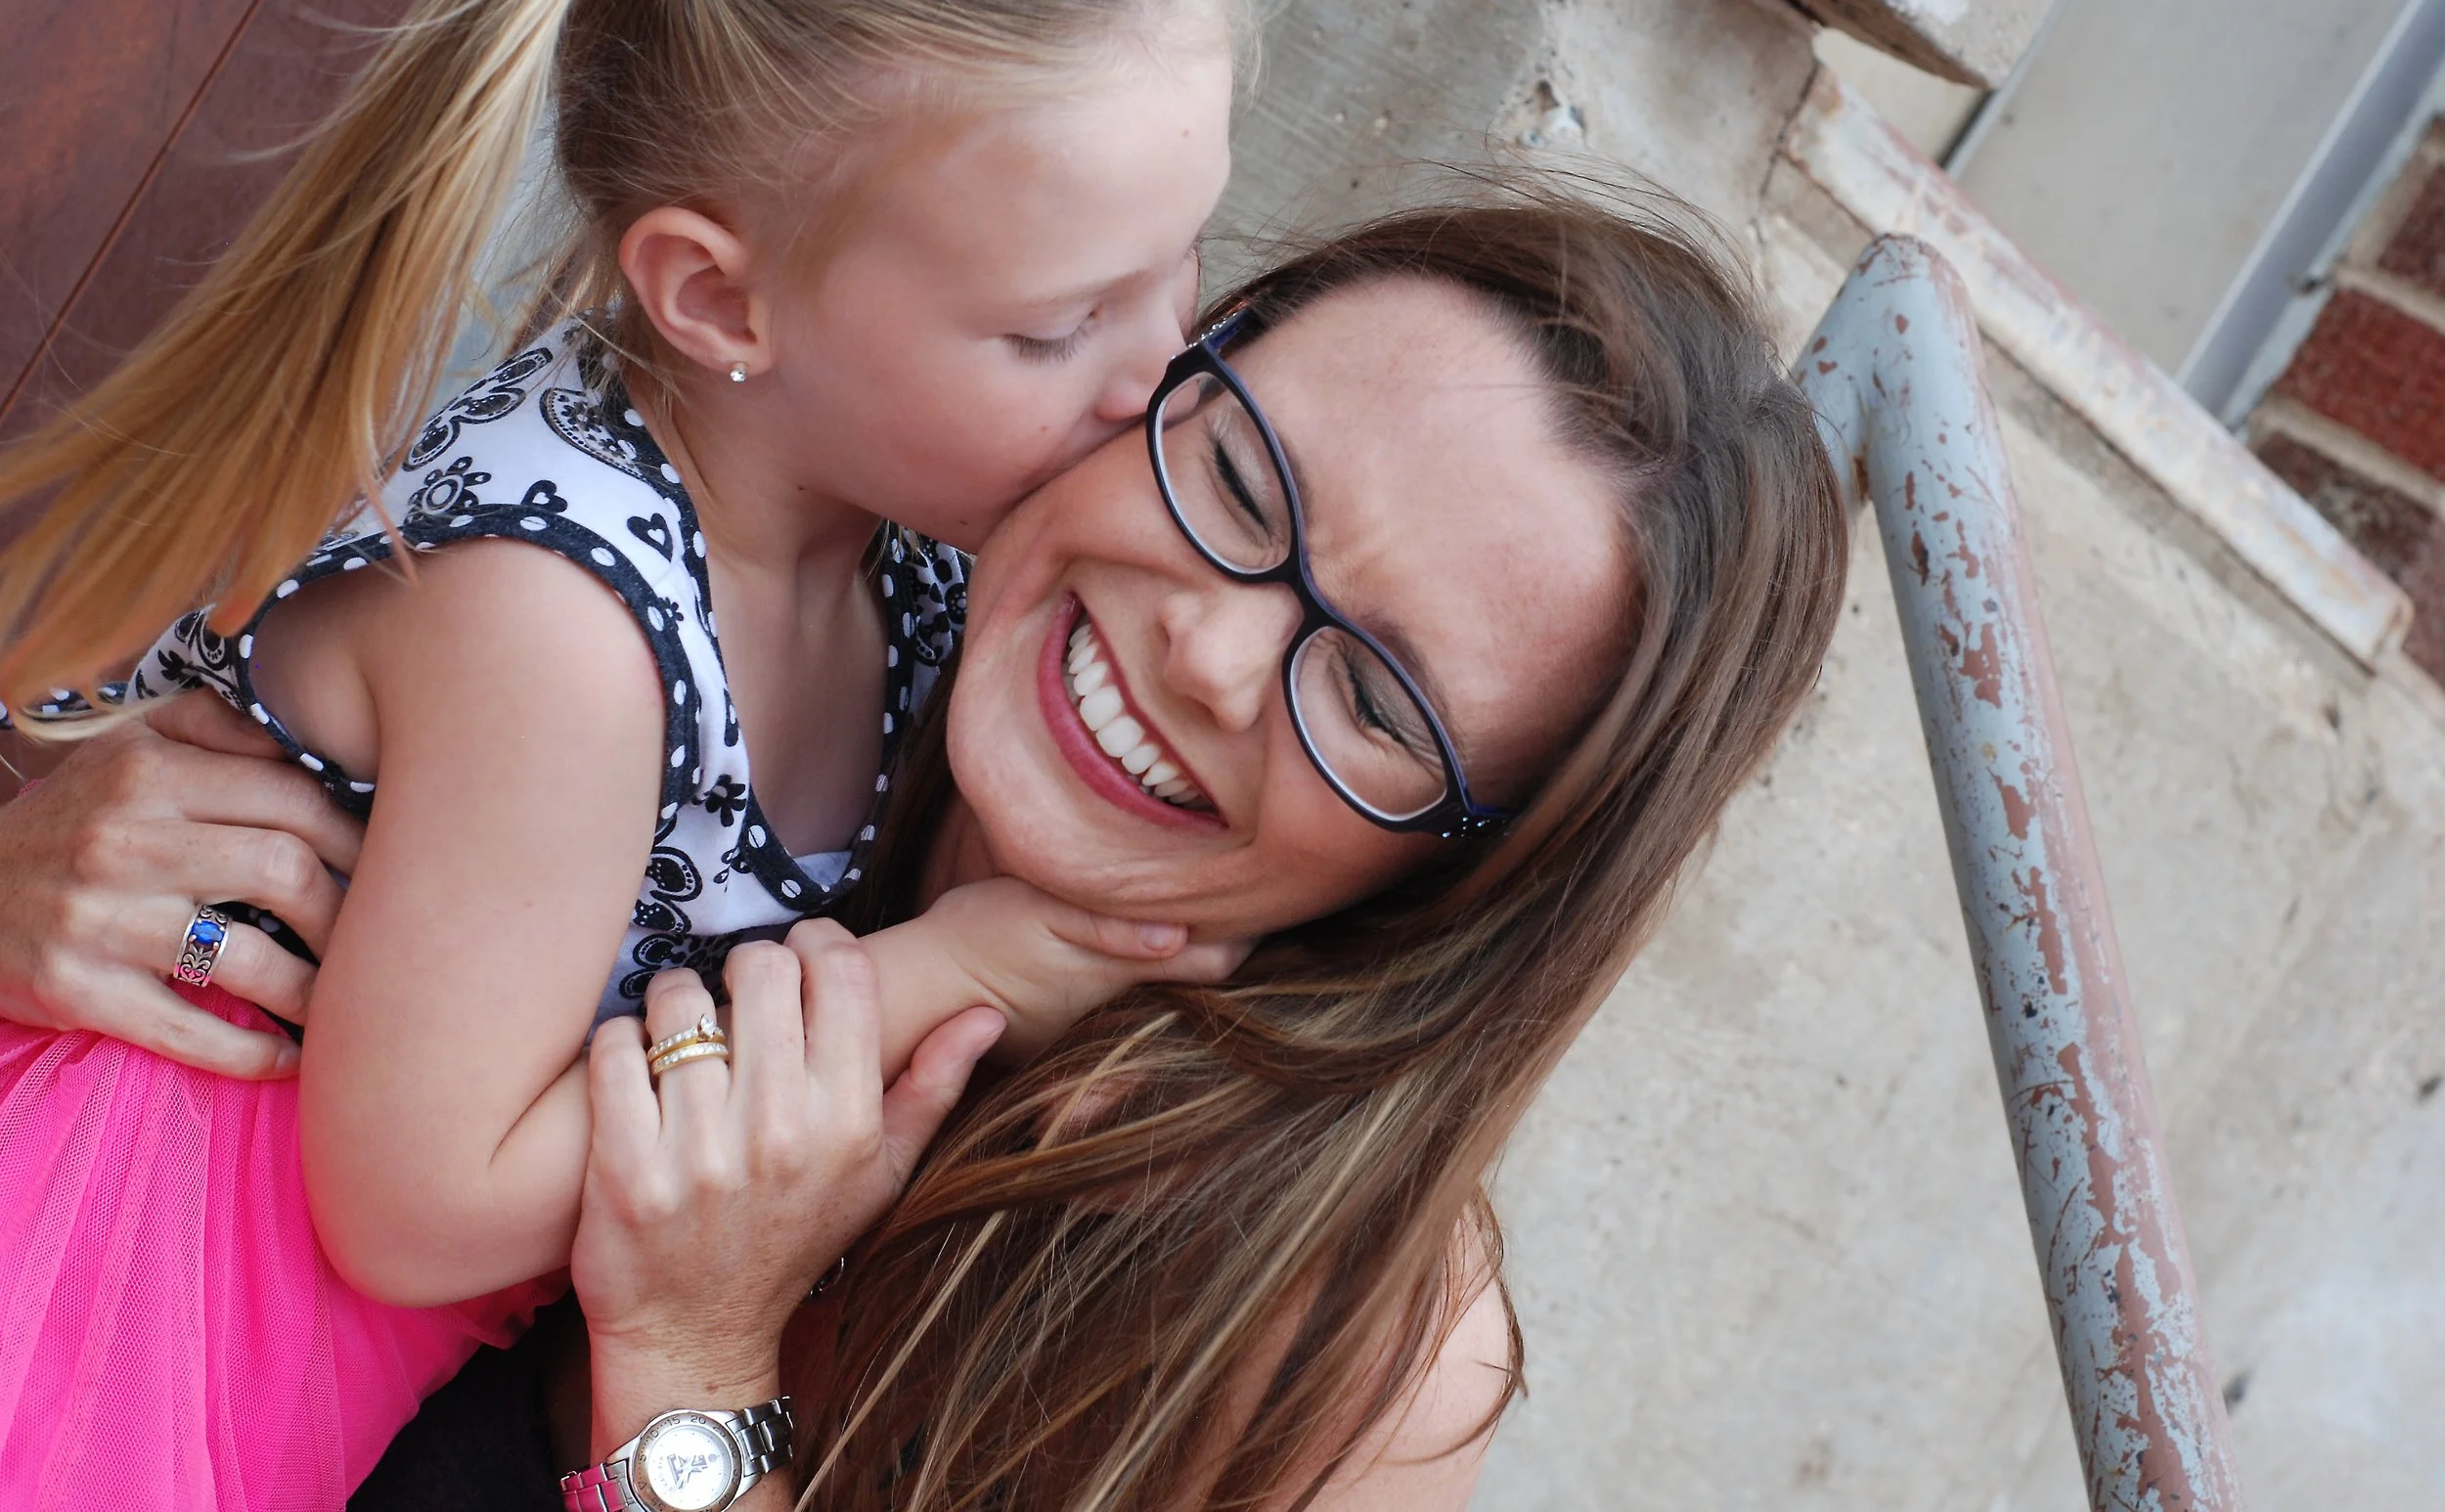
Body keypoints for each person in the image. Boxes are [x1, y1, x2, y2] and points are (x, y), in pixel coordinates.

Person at [3, 190, 1853, 1509]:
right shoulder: (755, 628)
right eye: (1238, 481)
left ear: (1463, 878)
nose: (1211, 650)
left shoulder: (1339, 1348)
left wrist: (695, 1381)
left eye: (1374, 702)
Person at [0, 0, 1244, 1504]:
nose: (1158, 374)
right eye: (1062, 324)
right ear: (722, 300)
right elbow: (414, 1202)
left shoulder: (915, 546)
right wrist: (951, 968)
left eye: (1189, 259)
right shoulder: (562, 623)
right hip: (139, 1296)